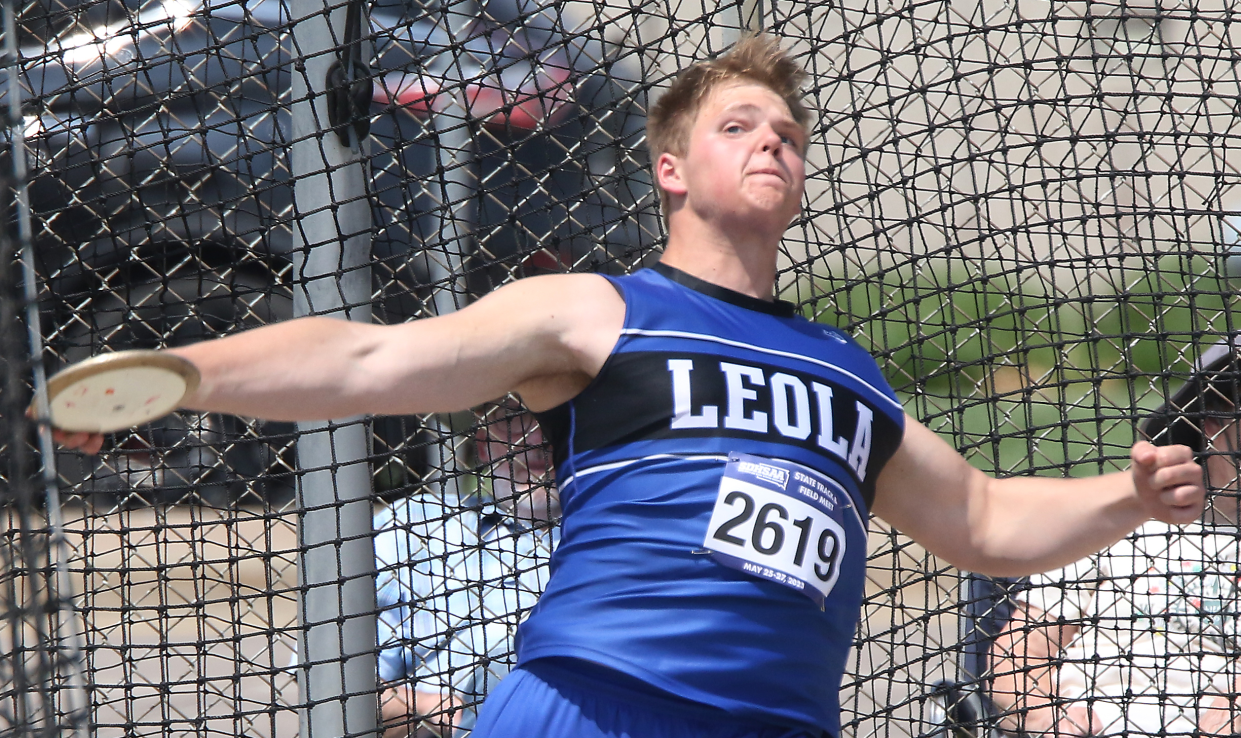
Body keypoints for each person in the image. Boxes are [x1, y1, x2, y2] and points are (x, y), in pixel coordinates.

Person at [54, 34, 1206, 738]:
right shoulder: (596, 310)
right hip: (595, 704)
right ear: (667, 170)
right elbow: (366, 360)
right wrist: (180, 375)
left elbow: (983, 521)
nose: (772, 145)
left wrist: (1128, 497)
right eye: (738, 126)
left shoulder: (847, 372)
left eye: (789, 135)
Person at [988, 336, 1241, 738]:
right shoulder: (1121, 519)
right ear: (1210, 424)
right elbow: (1020, 649)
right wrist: (1045, 716)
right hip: (1088, 723)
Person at [375, 402, 557, 738]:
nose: (536, 438)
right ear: (483, 443)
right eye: (514, 420)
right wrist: (430, 708)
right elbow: (334, 685)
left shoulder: (631, 535)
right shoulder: (415, 527)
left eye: (550, 416)